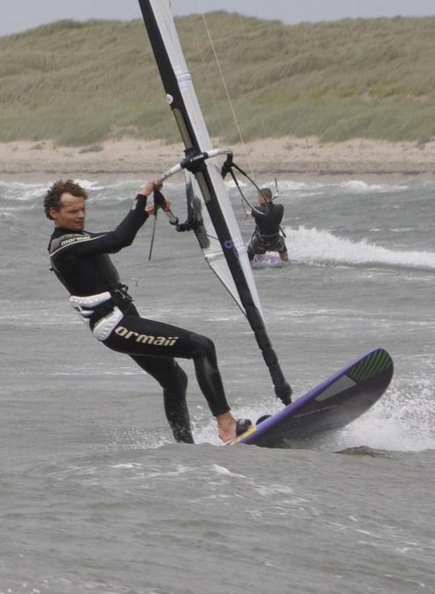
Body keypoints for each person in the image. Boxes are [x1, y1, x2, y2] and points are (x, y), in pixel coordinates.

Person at [44, 177, 250, 444]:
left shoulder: (77, 239)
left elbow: (111, 238)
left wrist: (145, 212)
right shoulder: (63, 246)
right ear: (54, 213)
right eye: (73, 211)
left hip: (124, 320)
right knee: (202, 347)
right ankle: (227, 426)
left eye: (83, 209)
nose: (80, 215)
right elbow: (119, 239)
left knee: (174, 379)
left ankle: (184, 446)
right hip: (116, 325)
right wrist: (141, 195)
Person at [247, 186, 288, 263]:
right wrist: (268, 204)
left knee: (250, 251)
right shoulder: (280, 208)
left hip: (260, 243)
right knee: (282, 248)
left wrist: (250, 213)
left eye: (258, 197)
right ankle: (286, 261)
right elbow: (268, 211)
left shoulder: (256, 210)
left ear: (261, 198)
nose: (257, 200)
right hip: (276, 241)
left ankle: (249, 263)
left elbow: (257, 211)